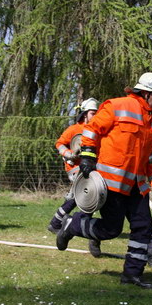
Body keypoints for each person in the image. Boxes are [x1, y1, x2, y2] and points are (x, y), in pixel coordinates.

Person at [56, 72, 152, 289]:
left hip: (137, 186)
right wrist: (88, 156)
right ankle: (72, 225)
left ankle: (132, 275)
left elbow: (149, 158)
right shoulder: (118, 105)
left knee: (143, 228)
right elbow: (91, 130)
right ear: (146, 93)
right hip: (110, 182)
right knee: (111, 230)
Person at [87, 108, 152, 268]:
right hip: (112, 187)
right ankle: (91, 234)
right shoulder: (124, 138)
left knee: (143, 222)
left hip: (135, 190)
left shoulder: (148, 149)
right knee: (111, 225)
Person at [47, 98, 100, 233]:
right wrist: (70, 154)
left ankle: (67, 223)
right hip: (75, 168)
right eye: (92, 113)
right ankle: (59, 223)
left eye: (96, 113)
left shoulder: (97, 130)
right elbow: (59, 144)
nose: (95, 116)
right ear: (85, 114)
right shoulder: (74, 129)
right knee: (85, 195)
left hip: (91, 168)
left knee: (87, 197)